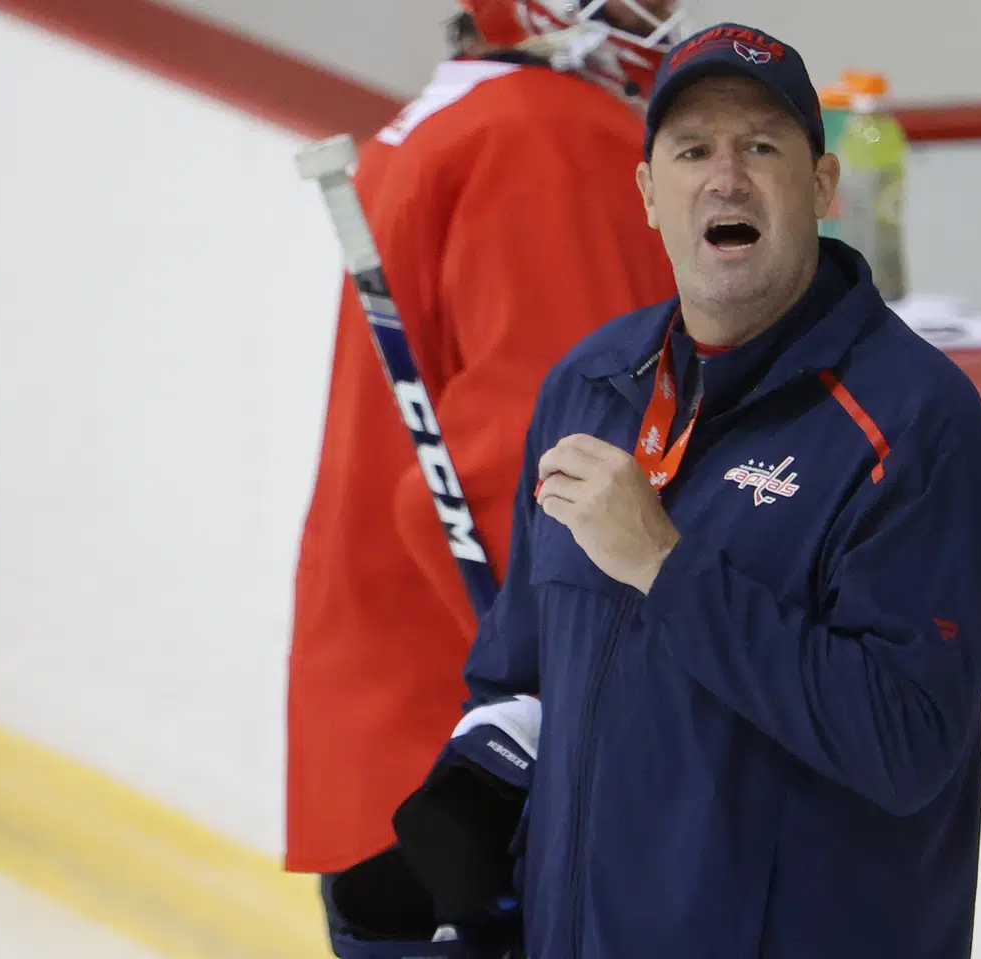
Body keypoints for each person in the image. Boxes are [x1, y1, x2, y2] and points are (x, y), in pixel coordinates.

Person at [460, 21, 981, 958]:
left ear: (822, 186)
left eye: (762, 146)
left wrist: (667, 568)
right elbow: (521, 672)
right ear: (649, 194)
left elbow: (905, 741)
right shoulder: (589, 386)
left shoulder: (918, 429)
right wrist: (462, 806)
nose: (727, 177)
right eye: (693, 150)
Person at [283, 0, 683, 942]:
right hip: (485, 777)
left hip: (396, 744)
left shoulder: (453, 121)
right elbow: (538, 478)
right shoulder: (548, 136)